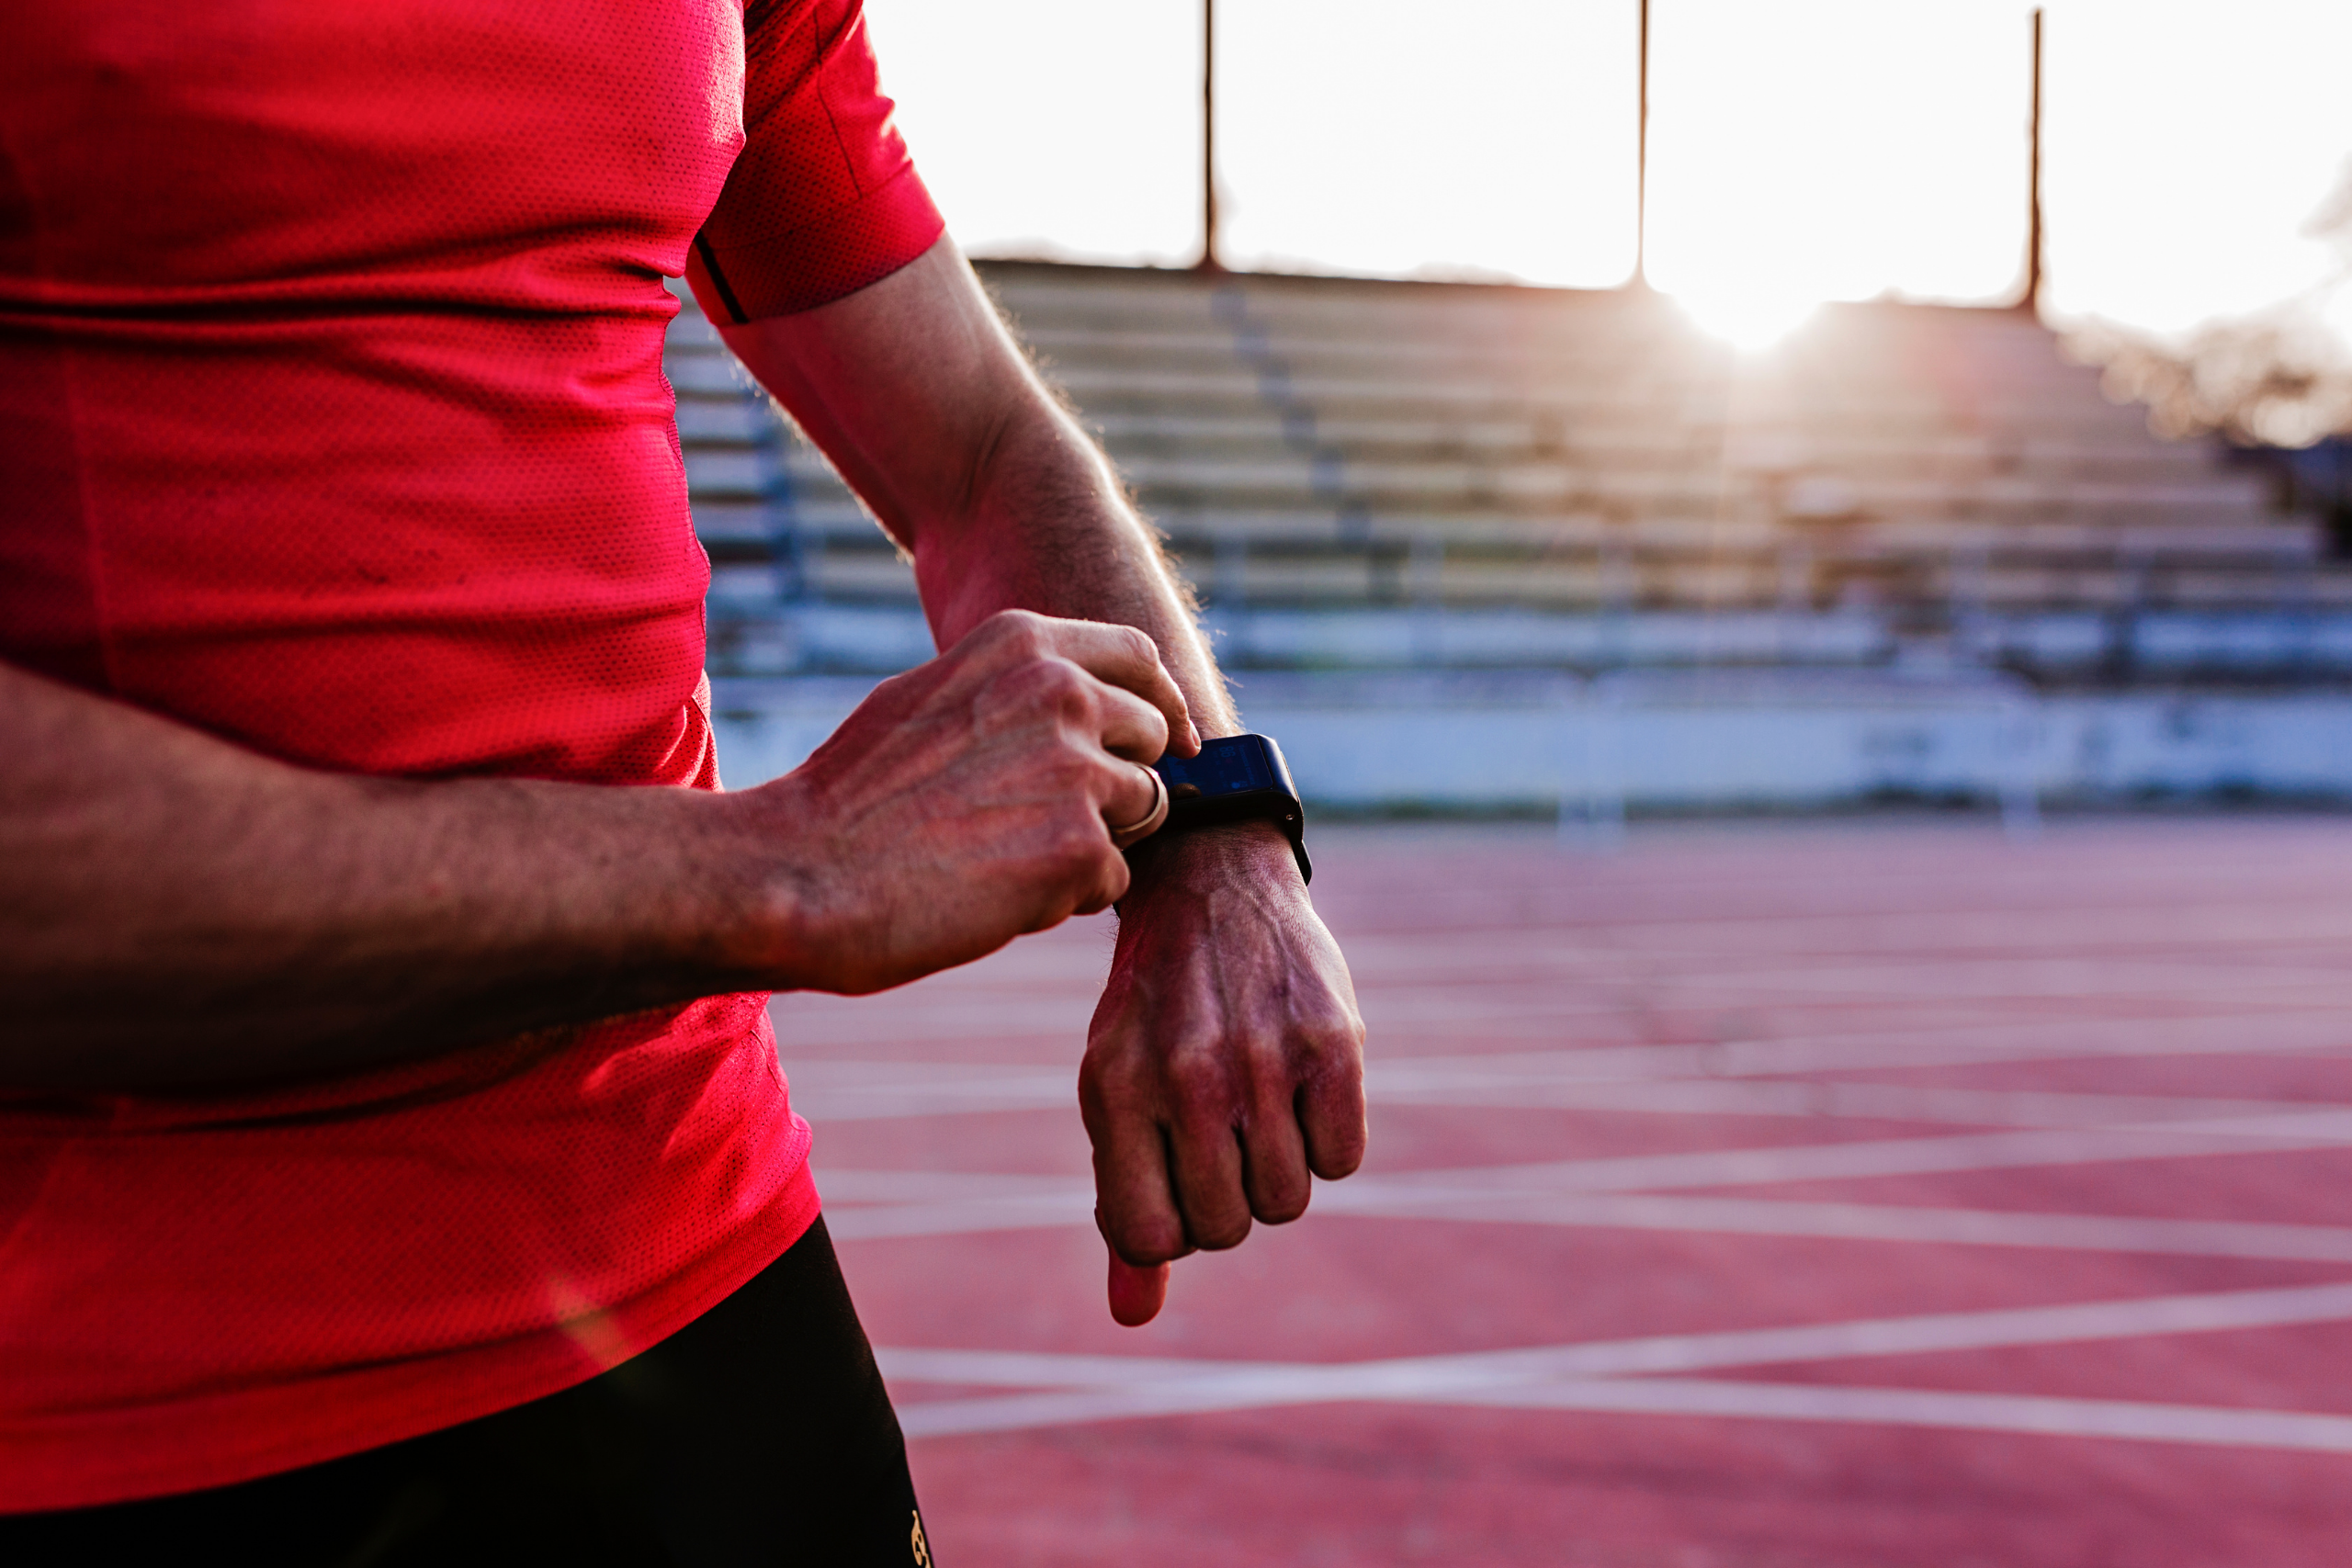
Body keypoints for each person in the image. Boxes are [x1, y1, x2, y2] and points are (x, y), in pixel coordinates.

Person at [0, 0, 1366, 1558]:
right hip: (100, 1407)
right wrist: (774, 867)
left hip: (702, 1279)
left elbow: (980, 448)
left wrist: (1216, 825)